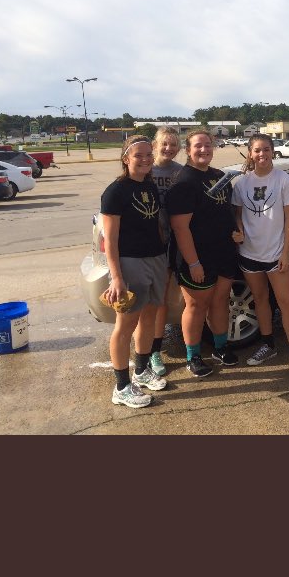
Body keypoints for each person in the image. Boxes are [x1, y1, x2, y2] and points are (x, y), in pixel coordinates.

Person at [231, 134, 289, 379]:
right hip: (249, 253)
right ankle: (268, 345)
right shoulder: (242, 183)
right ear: (250, 153)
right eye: (257, 150)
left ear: (272, 151)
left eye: (266, 149)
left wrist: (286, 254)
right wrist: (239, 229)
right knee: (260, 299)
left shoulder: (283, 180)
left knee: (286, 302)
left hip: (277, 254)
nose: (262, 154)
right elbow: (237, 214)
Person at [166, 129, 243, 378]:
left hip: (223, 252)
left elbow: (227, 213)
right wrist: (193, 262)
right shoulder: (183, 181)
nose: (204, 150)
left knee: (221, 301)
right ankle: (193, 356)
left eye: (208, 145)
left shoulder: (220, 176)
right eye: (198, 146)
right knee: (196, 305)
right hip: (196, 257)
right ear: (188, 150)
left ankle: (220, 347)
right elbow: (180, 227)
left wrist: (236, 231)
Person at [101, 136, 169, 409]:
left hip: (155, 259)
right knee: (125, 326)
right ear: (126, 158)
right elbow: (111, 240)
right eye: (138, 155)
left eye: (148, 155)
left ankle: (141, 370)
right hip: (130, 263)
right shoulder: (114, 192)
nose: (144, 159)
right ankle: (121, 387)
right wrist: (117, 277)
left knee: (149, 317)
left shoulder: (149, 186)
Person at [137, 126, 184, 381]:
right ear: (155, 145)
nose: (168, 148)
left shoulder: (180, 172)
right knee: (148, 303)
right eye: (164, 143)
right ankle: (146, 353)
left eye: (173, 144)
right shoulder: (145, 170)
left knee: (162, 299)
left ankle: (154, 350)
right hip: (148, 244)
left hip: (172, 242)